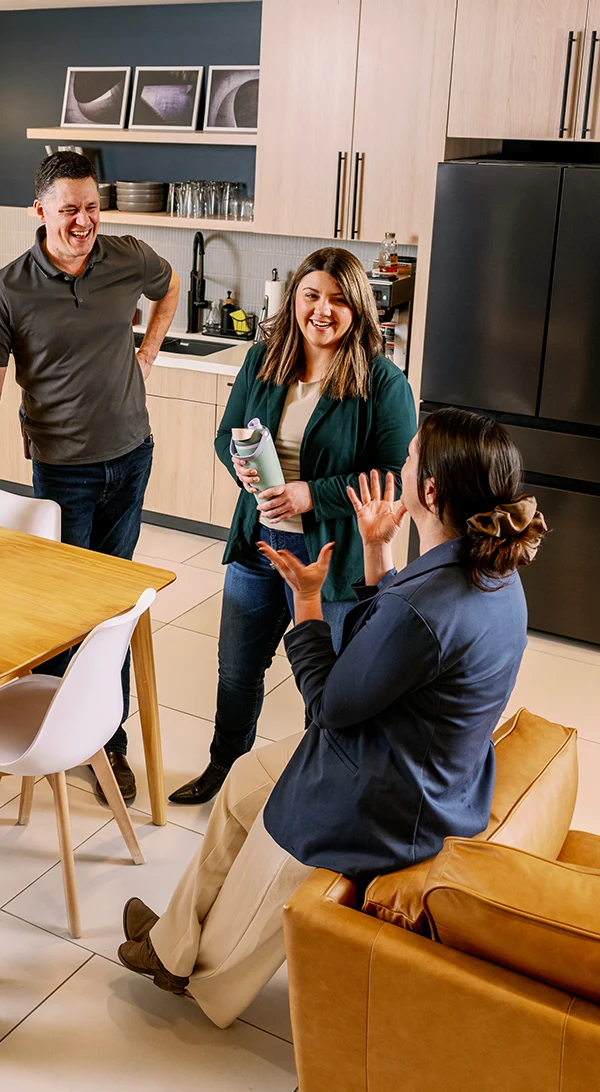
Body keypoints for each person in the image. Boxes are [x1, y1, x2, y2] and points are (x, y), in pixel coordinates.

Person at [118, 407, 546, 1028]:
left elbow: (329, 704)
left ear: (428, 492)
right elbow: (398, 652)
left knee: (277, 824)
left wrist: (309, 600)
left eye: (412, 455)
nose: (401, 461)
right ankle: (172, 941)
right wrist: (377, 552)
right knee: (245, 779)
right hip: (419, 765)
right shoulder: (488, 573)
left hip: (387, 797)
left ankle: (202, 982)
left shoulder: (429, 605)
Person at [0, 150, 180, 807]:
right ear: (39, 211)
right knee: (57, 612)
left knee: (114, 607)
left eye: (92, 207)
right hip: (63, 469)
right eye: (69, 208)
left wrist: (149, 348)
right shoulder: (9, 288)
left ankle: (109, 741)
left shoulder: (126, 257)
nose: (83, 221)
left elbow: (169, 283)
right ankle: (45, 729)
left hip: (132, 455)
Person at [170, 247, 416, 805]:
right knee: (237, 672)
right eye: (311, 295)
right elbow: (226, 434)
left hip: (331, 560)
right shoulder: (264, 359)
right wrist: (242, 468)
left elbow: (392, 476)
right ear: (295, 299)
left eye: (337, 299)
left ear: (358, 308)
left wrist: (312, 495)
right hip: (259, 547)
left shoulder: (382, 382)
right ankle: (224, 771)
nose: (322, 311)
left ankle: (316, 787)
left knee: (327, 684)